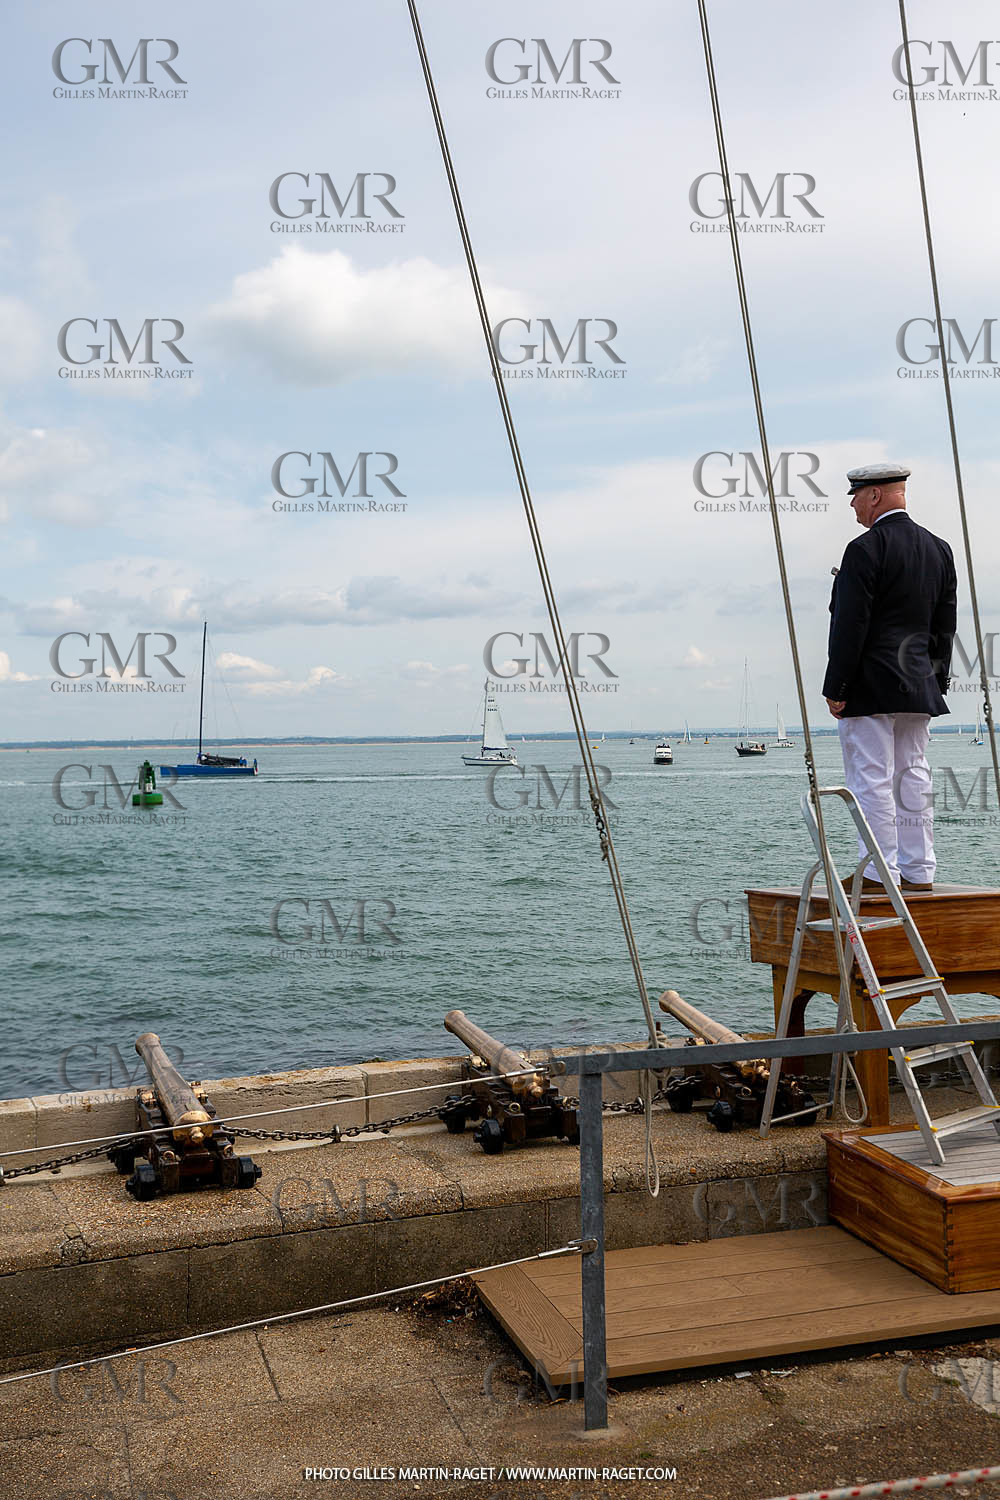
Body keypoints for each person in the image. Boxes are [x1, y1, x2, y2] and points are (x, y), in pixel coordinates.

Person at [823, 463, 956, 893]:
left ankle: (881, 873)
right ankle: (919, 870)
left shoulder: (864, 550)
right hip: (920, 683)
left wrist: (836, 688)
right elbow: (944, 627)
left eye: (856, 497)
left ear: (875, 495)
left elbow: (850, 626)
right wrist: (938, 681)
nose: (853, 506)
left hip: (869, 685)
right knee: (913, 774)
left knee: (871, 778)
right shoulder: (940, 549)